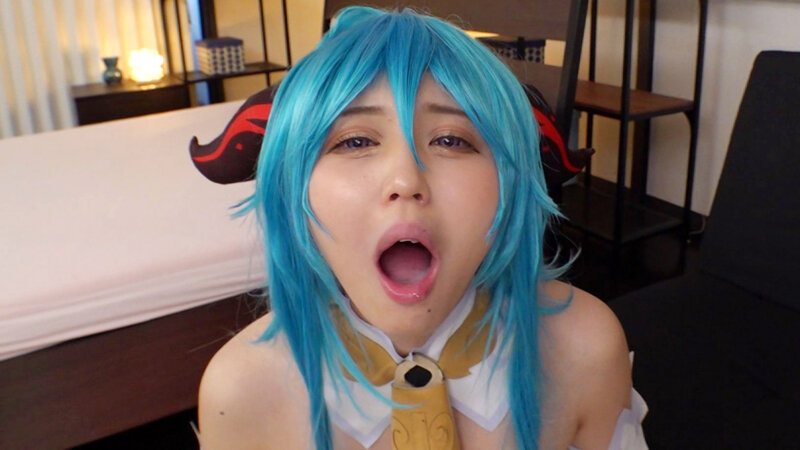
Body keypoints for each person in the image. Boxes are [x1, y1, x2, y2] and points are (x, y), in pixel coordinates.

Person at [197, 6, 646, 449]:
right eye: (355, 140)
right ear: (291, 184)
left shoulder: (584, 348)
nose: (406, 180)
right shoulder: (240, 391)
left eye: (451, 140)